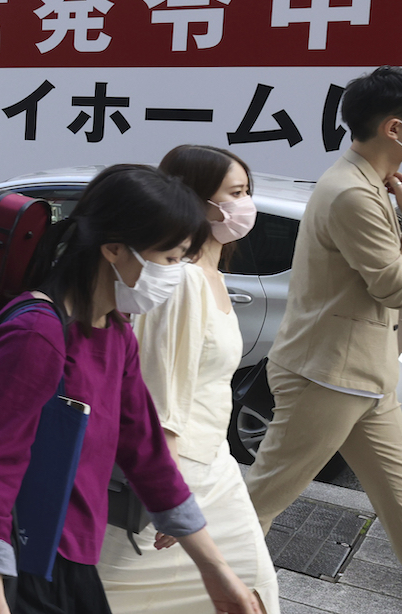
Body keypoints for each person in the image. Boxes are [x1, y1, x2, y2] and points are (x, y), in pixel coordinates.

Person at [0, 165, 262, 614]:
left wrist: (215, 570)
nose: (175, 273)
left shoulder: (113, 332)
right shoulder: (36, 335)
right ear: (113, 249)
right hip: (17, 568)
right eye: (169, 259)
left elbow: (146, 451)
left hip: (71, 559)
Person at [242, 66, 402, 613]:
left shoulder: (371, 185)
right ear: (396, 129)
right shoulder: (352, 192)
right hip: (328, 375)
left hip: (366, 377)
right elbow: (398, 287)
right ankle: (189, 577)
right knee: (262, 500)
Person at [98, 147, 280, 613]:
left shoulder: (211, 275)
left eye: (247, 192)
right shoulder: (181, 283)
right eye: (234, 194)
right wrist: (168, 493)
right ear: (196, 203)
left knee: (246, 590)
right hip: (185, 470)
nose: (246, 205)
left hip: (212, 463)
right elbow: (158, 394)